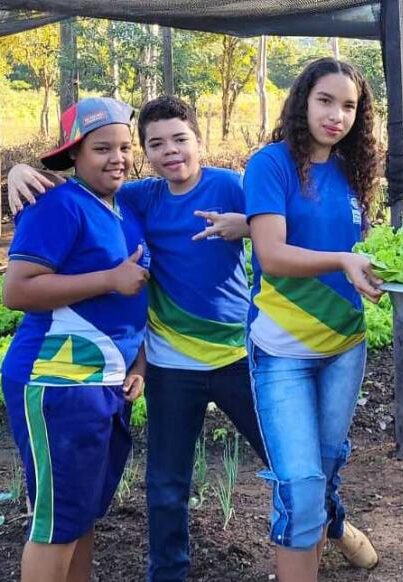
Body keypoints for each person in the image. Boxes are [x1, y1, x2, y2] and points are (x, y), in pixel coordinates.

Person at [5, 95, 377, 580]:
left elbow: (287, 222)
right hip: (170, 365)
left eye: (180, 139)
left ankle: (335, 523)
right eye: (155, 144)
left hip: (239, 356)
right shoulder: (140, 198)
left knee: (291, 461)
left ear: (199, 141)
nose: (170, 151)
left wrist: (245, 226)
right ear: (147, 155)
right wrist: (17, 170)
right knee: (165, 485)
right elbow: (73, 186)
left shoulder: (231, 186)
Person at [242, 57, 383, 582]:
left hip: (345, 347)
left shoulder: (353, 171)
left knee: (322, 474)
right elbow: (273, 254)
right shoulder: (271, 163)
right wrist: (344, 261)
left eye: (349, 106)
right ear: (303, 101)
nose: (337, 115)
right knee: (300, 486)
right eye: (326, 101)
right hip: (282, 350)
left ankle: (332, 532)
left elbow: (363, 251)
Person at [1, 97, 149, 582]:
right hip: (56, 380)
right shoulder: (58, 203)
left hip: (103, 381)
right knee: (57, 522)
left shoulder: (122, 204)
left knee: (80, 514)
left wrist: (139, 363)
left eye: (125, 147)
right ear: (75, 155)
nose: (118, 158)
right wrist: (109, 279)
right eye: (102, 148)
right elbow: (17, 290)